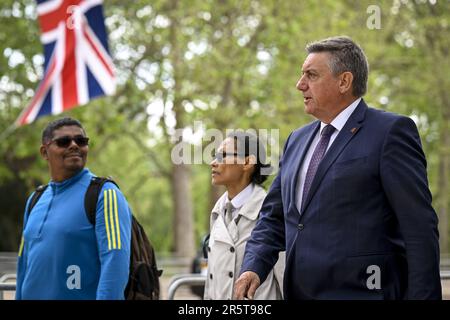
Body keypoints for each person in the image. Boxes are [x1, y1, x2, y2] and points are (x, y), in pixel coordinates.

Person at [234, 36, 442, 300]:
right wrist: (253, 267)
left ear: (344, 81)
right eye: (302, 75)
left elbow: (419, 228)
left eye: (311, 75)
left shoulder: (390, 132)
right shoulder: (295, 140)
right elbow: (273, 218)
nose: (300, 85)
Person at [16, 117, 132, 300]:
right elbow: (24, 264)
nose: (74, 145)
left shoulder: (104, 193)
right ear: (45, 152)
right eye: (63, 142)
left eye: (81, 141)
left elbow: (116, 261)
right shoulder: (34, 199)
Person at [204, 131, 284, 300]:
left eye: (223, 155)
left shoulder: (272, 214)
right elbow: (211, 284)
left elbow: (284, 280)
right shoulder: (217, 212)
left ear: (248, 162)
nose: (213, 163)